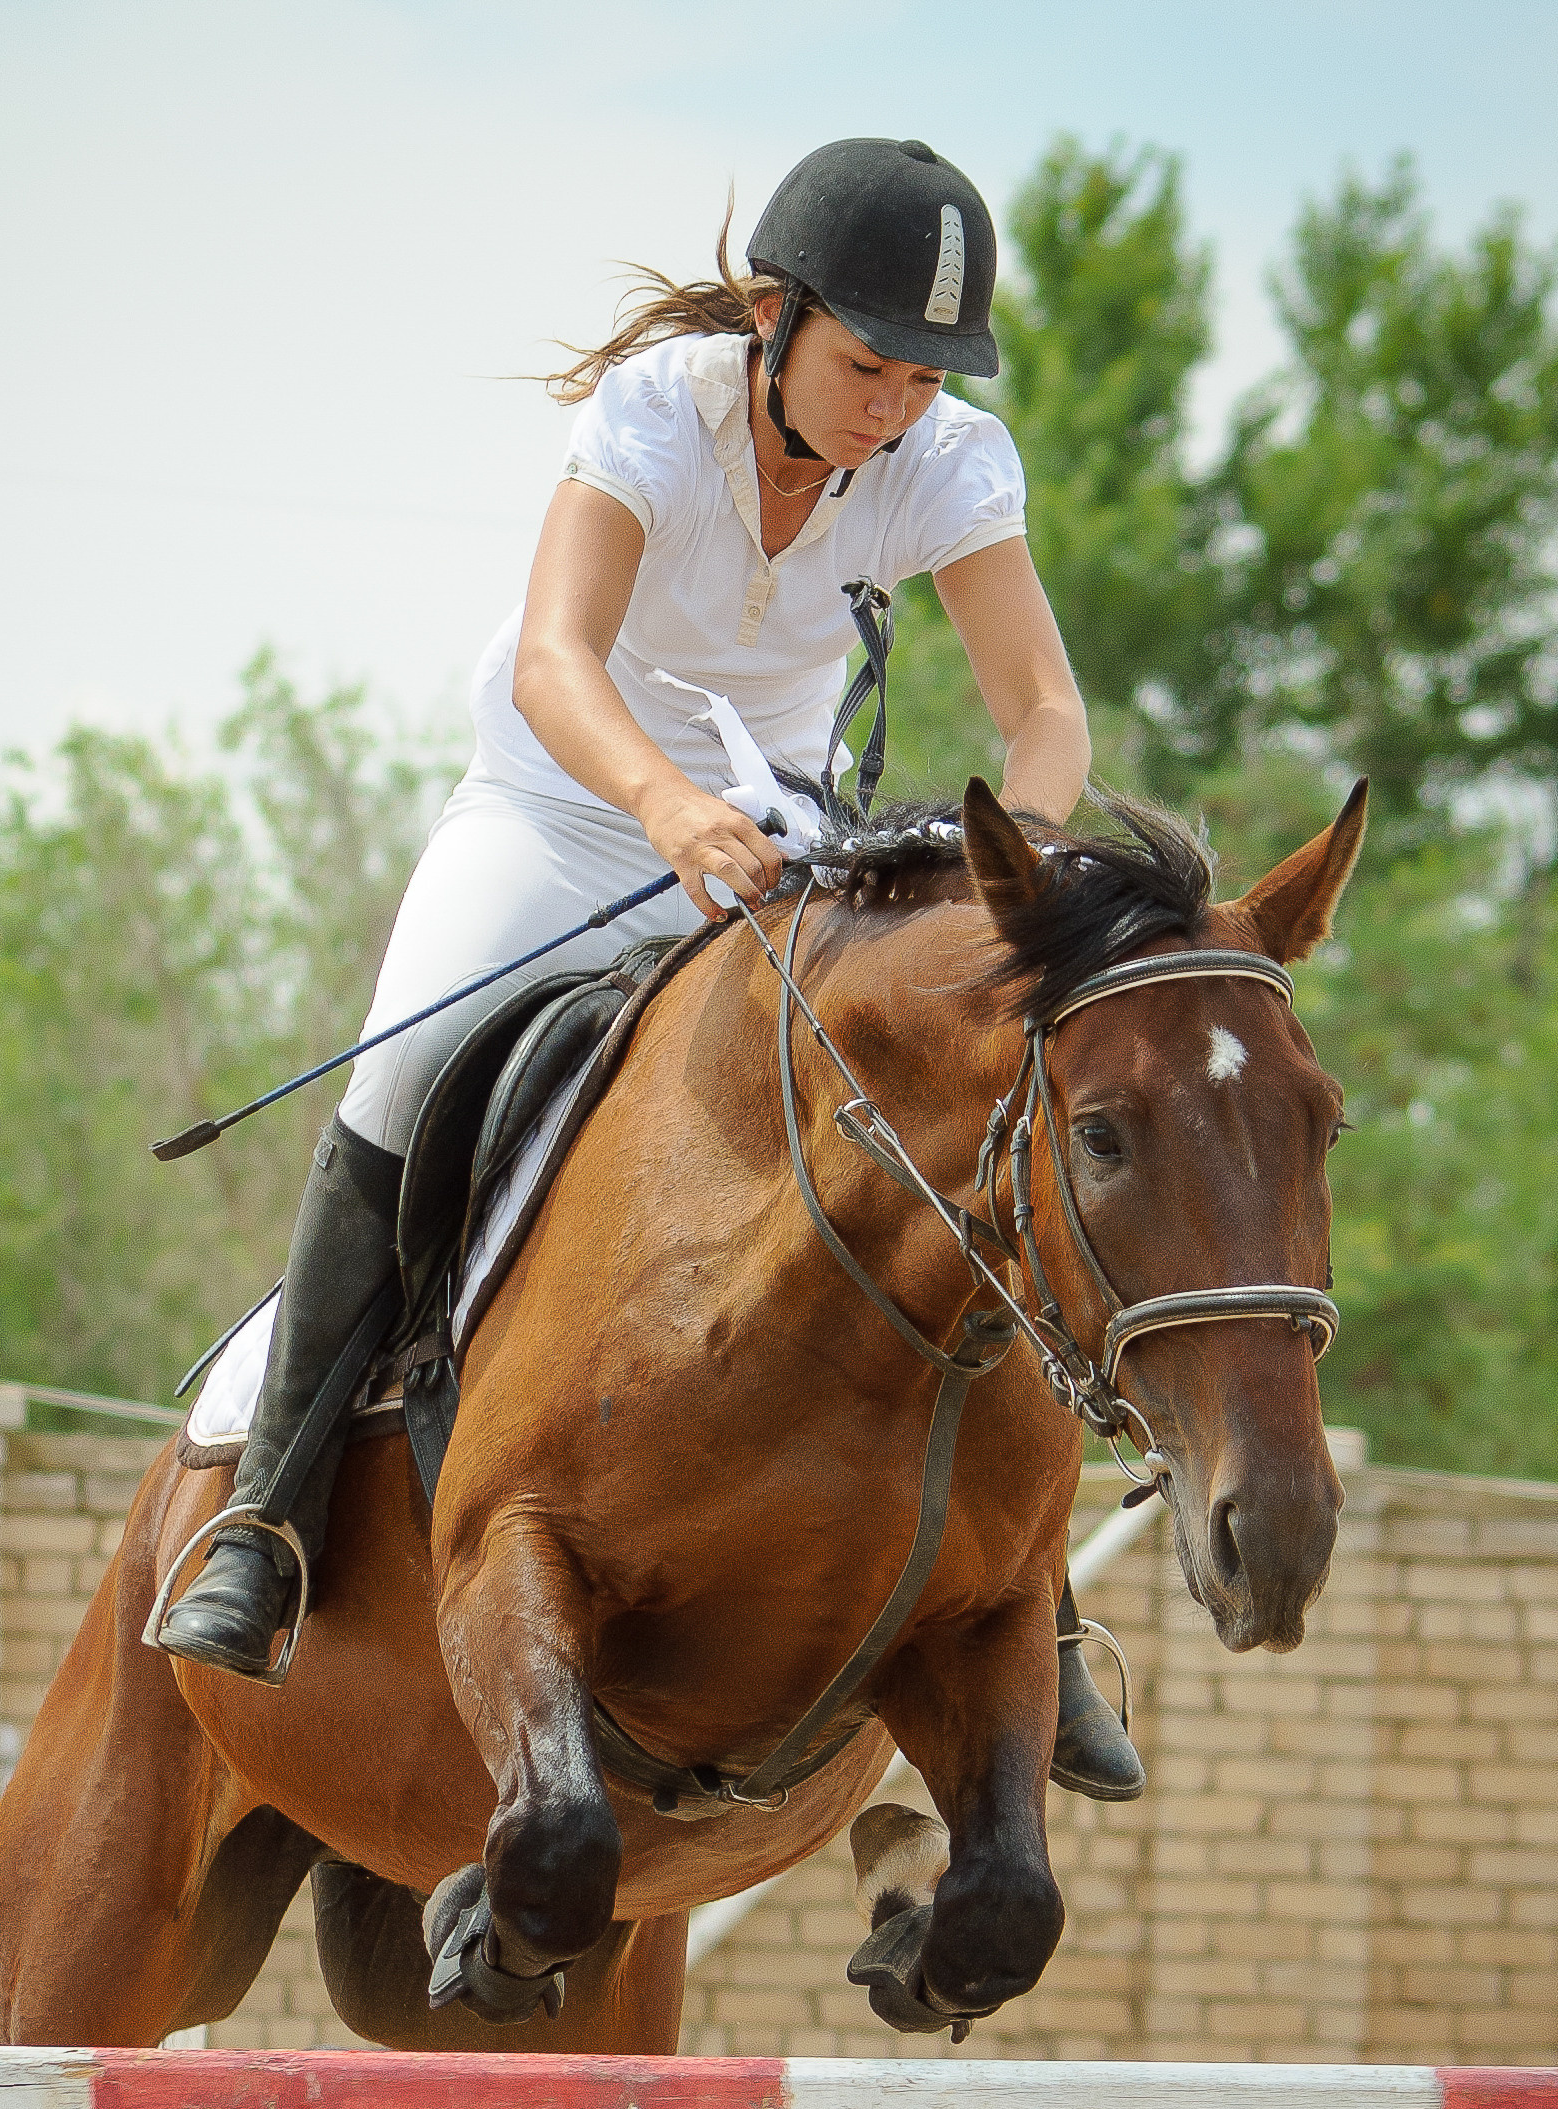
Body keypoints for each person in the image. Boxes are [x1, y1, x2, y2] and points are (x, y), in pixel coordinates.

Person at [161, 136, 1141, 1803]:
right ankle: (264, 1509)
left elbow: (1046, 717)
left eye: (922, 377)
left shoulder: (954, 464)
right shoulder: (650, 414)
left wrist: (1007, 885)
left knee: (931, 1119)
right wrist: (662, 805)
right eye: (867, 364)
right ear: (775, 317)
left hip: (777, 836)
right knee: (403, 1070)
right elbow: (555, 659)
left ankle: (1027, 1610)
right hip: (566, 800)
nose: (892, 405)